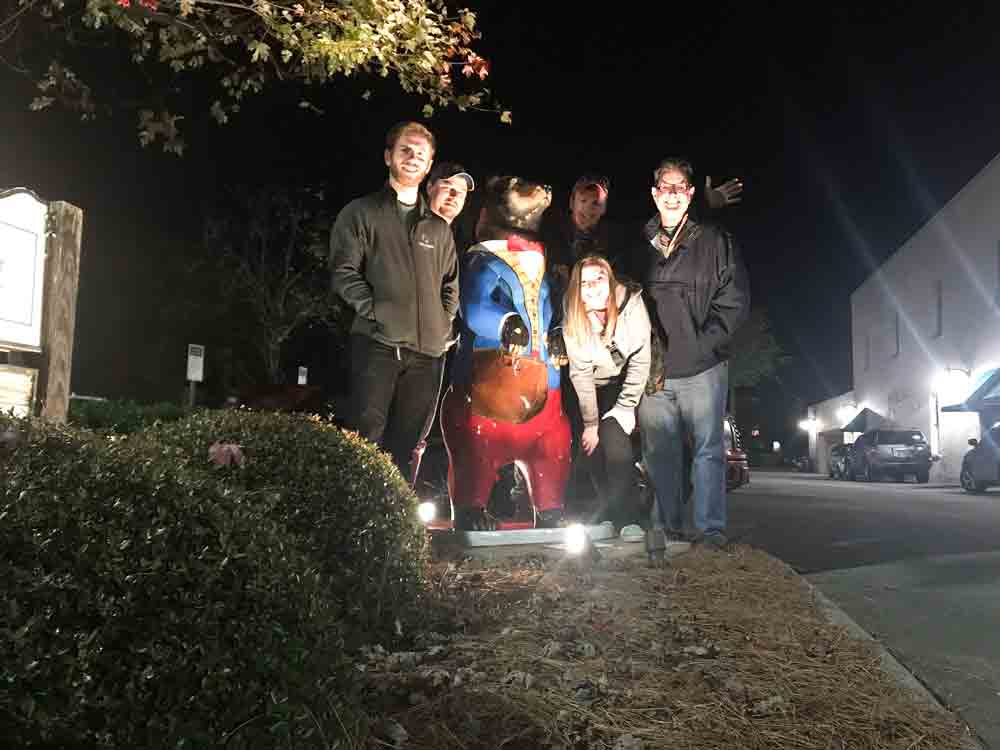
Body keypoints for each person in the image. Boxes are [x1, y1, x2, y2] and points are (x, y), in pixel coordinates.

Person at [631, 157, 750, 551]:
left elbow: (734, 302)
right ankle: (666, 528)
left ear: (691, 194)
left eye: (680, 187)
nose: (672, 194)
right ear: (654, 193)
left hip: (704, 369)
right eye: (665, 186)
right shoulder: (637, 244)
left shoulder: (716, 242)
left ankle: (710, 530)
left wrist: (705, 347)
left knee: (708, 453)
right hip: (655, 374)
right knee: (659, 456)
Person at [329, 121, 458, 483]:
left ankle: (395, 524)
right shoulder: (361, 213)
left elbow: (450, 285)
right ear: (388, 157)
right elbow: (343, 270)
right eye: (405, 150)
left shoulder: (438, 228)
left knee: (407, 445)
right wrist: (376, 312)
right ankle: (358, 519)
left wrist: (442, 324)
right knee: (365, 437)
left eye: (421, 153)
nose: (413, 158)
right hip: (377, 344)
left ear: (430, 164)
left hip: (427, 354)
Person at [562, 254, 651, 535]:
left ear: (610, 281)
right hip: (589, 386)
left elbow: (641, 357)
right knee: (590, 449)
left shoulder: (632, 304)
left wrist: (626, 407)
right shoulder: (573, 314)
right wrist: (590, 423)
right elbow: (580, 373)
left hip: (623, 384)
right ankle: (607, 514)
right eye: (585, 282)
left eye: (599, 279)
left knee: (614, 439)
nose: (592, 287)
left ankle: (629, 519)